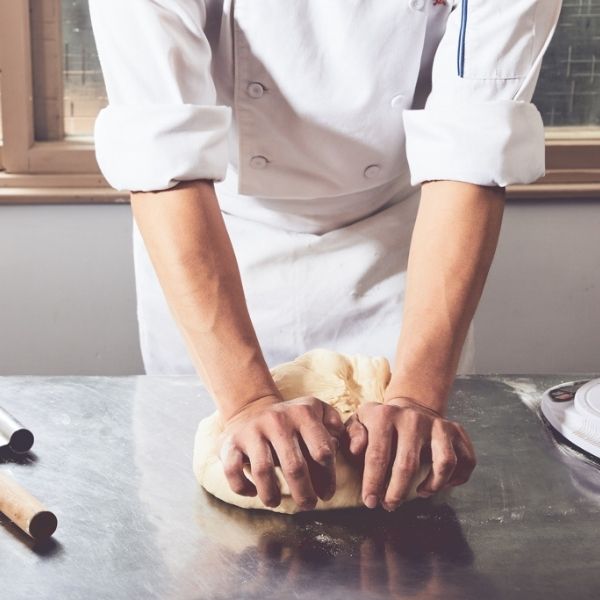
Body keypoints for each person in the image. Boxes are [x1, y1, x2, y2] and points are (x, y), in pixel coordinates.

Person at [89, 0, 562, 512]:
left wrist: (416, 397)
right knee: (206, 544)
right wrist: (247, 401)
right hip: (214, 238)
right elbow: (163, 151)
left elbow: (475, 147)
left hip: (400, 251)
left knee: (405, 517)